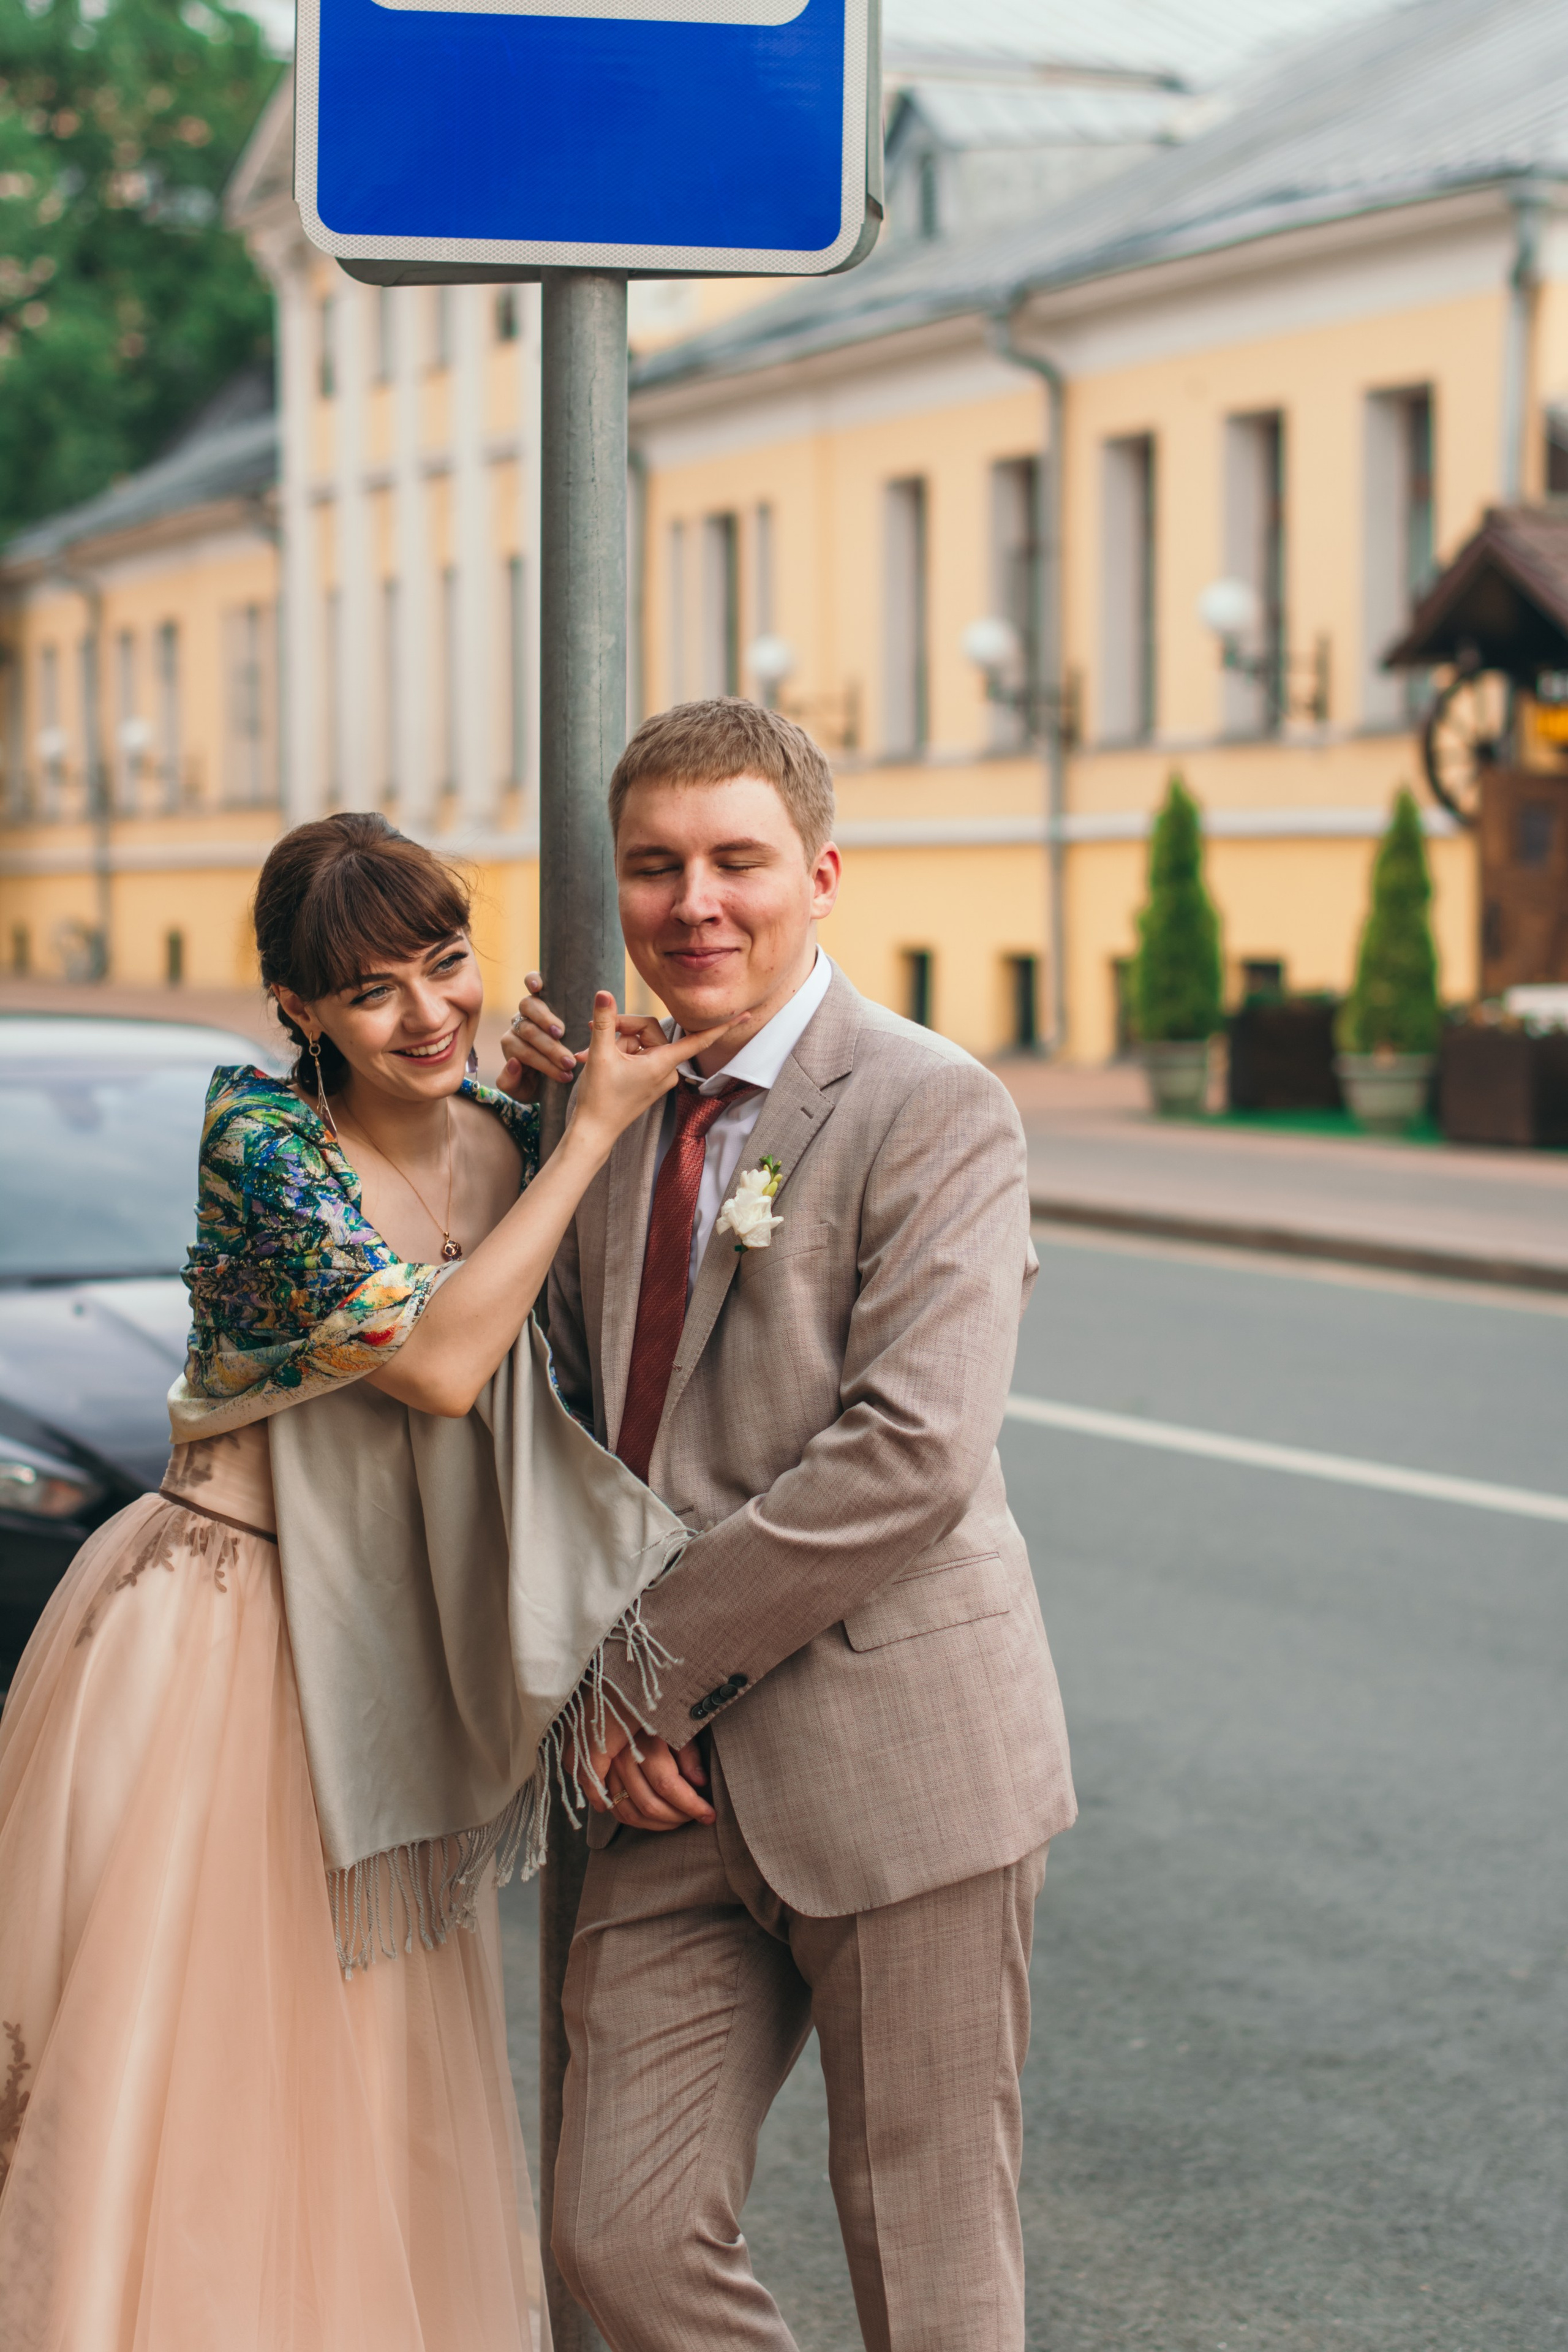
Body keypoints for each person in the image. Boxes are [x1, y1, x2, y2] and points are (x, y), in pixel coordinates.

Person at [0, 811, 722, 2351]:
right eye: (369, 992)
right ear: (299, 1009)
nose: (425, 1014)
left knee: (366, 2069)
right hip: (222, 1633)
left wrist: (557, 1115)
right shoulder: (263, 1143)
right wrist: (585, 1136)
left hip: (382, 1647)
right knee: (194, 2055)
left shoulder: (500, 1131)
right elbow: (444, 1368)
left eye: (445, 964)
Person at [503, 697, 1077, 2352]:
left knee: (928, 2261)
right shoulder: (603, 1112)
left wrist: (633, 1677)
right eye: (655, 867)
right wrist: (523, 1119)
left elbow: (912, 1453)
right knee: (614, 2238)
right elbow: (553, 1414)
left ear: (818, 875)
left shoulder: (933, 1105)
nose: (696, 904)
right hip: (668, 1802)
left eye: (737, 862)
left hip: (899, 1762)